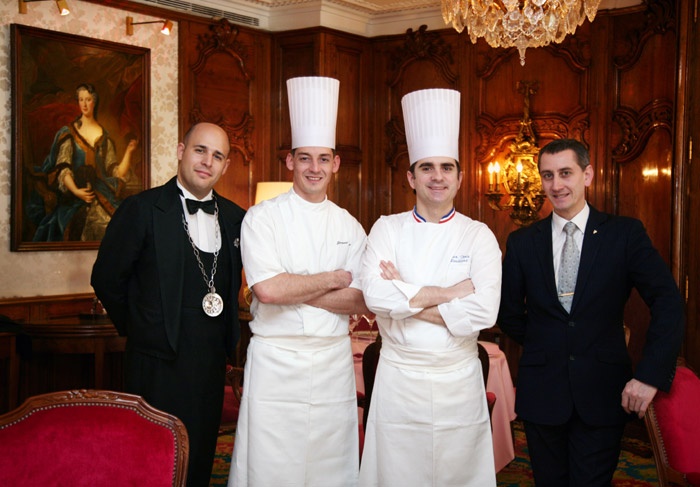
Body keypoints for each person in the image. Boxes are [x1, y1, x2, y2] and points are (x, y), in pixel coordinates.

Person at [498, 138, 685, 486]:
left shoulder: (624, 234)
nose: (556, 185)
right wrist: (548, 343)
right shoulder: (522, 242)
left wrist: (649, 376)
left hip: (603, 392)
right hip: (542, 394)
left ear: (587, 175)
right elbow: (508, 314)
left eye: (565, 173)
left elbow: (668, 302)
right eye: (548, 175)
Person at [229, 76, 368, 487]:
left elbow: (361, 300)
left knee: (330, 464)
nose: (314, 168)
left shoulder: (350, 225)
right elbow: (268, 290)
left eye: (323, 159)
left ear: (336, 164)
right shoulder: (262, 217)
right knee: (271, 464)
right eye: (305, 158)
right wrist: (332, 279)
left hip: (332, 362)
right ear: (289, 162)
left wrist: (296, 288)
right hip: (276, 361)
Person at [359, 88, 502, 486]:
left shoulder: (478, 235)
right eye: (427, 167)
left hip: (458, 380)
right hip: (399, 381)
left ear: (459, 177)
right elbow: (374, 296)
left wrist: (403, 293)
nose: (437, 176)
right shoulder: (387, 228)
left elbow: (485, 311)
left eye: (446, 167)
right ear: (411, 177)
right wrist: (452, 292)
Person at [91, 122, 245, 487]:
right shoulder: (141, 209)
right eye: (199, 150)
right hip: (156, 365)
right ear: (180, 151)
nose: (207, 161)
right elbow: (107, 279)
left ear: (225, 166)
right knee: (153, 463)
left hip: (210, 366)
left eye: (217, 156)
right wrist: (143, 329)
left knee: (200, 460)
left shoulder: (237, 218)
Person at [32, 83, 139, 242]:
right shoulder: (69, 134)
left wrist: (129, 152)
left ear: (94, 102)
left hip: (102, 193)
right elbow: (63, 169)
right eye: (81, 100)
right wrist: (77, 191)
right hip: (74, 196)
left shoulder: (105, 138)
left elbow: (115, 172)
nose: (84, 104)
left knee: (121, 227)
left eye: (88, 99)